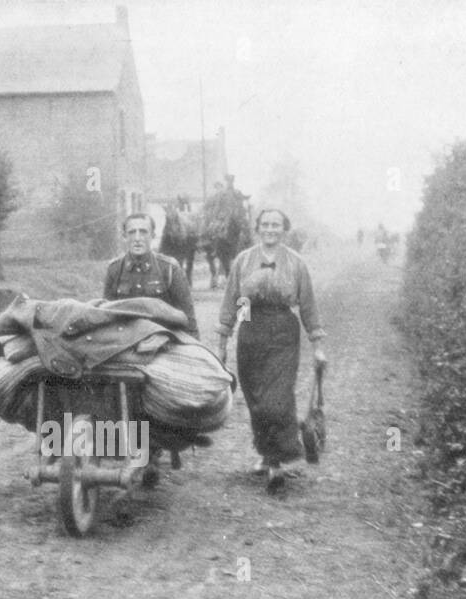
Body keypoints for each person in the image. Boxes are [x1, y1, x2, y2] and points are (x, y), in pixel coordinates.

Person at [217, 208, 326, 489]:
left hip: (283, 335)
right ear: (257, 228)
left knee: (276, 399)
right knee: (255, 398)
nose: (270, 229)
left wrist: (318, 346)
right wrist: (225, 341)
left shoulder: (296, 263)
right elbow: (234, 302)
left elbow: (308, 306)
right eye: (265, 224)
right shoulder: (243, 261)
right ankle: (267, 454)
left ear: (284, 229)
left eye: (276, 225)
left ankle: (276, 463)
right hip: (251, 333)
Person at [103, 213, 197, 337]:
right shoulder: (114, 269)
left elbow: (188, 318)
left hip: (164, 342)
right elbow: (106, 316)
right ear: (124, 236)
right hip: (125, 343)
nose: (137, 238)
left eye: (143, 232)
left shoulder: (169, 268)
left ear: (152, 235)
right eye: (132, 232)